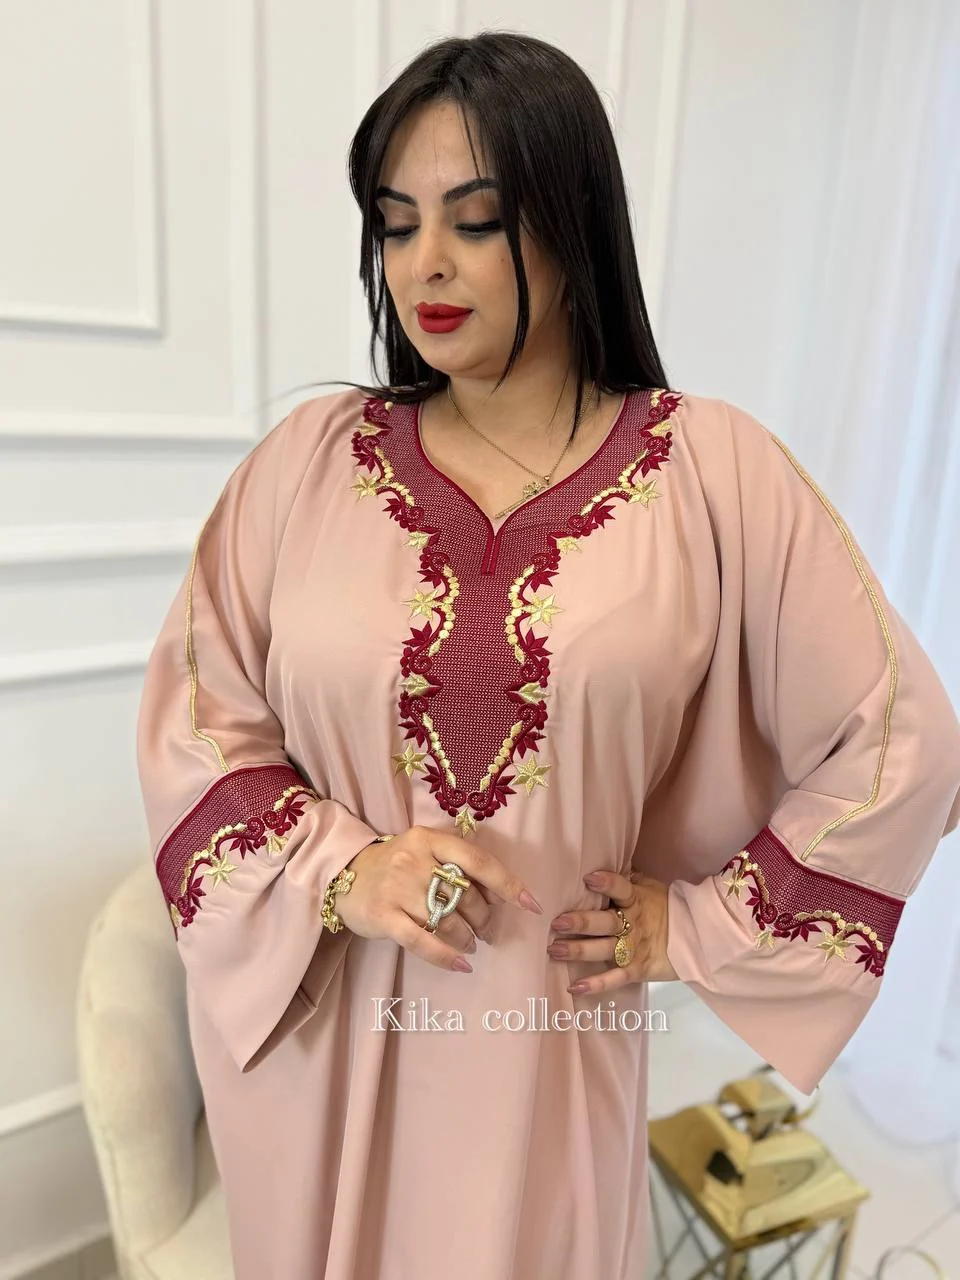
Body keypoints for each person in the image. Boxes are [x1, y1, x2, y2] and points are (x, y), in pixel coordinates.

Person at [136, 30, 960, 1280]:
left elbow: (902, 736)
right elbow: (197, 721)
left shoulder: (712, 473)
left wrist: (697, 925)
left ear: (573, 223)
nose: (426, 262)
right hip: (324, 1047)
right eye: (396, 223)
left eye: (475, 219)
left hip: (548, 1050)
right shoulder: (305, 465)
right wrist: (344, 870)